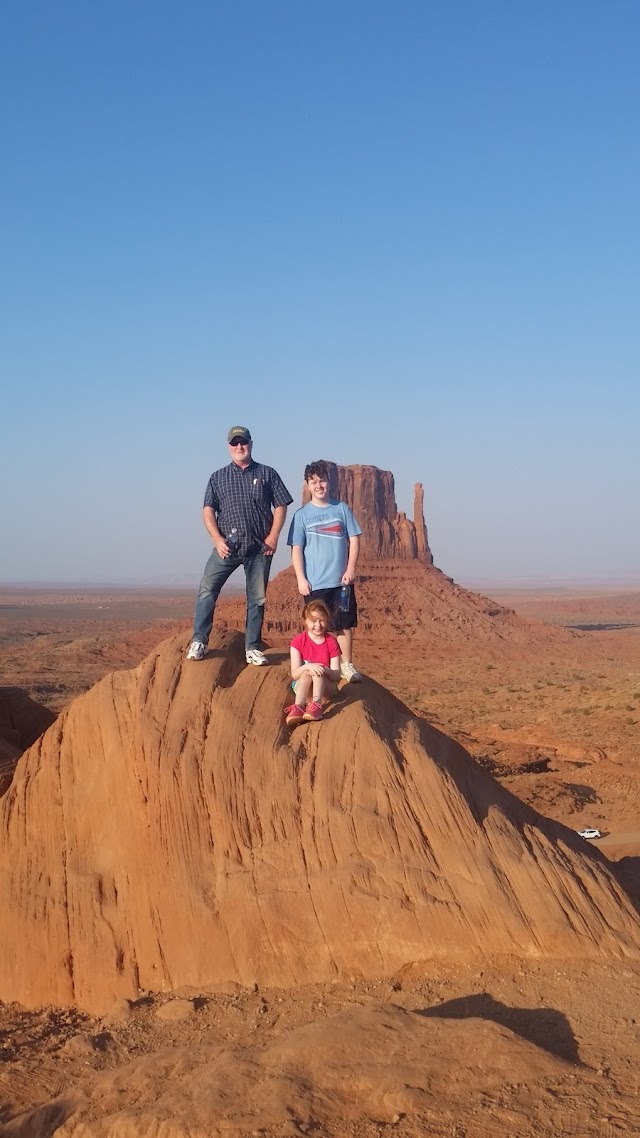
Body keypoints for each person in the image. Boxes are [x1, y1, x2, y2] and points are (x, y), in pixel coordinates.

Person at [187, 426, 293, 665]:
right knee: (207, 589)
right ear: (228, 447)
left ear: (251, 444)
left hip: (259, 548)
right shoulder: (218, 477)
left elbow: (281, 505)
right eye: (234, 443)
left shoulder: (268, 473)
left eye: (243, 442)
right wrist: (216, 539)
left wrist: (274, 536)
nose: (239, 447)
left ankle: (252, 648)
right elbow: (208, 510)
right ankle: (199, 640)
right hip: (228, 547)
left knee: (256, 598)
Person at [287, 460, 363, 682]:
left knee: (343, 624)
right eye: (314, 482)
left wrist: (351, 568)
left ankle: (346, 666)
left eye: (322, 480)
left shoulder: (341, 509)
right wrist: (301, 578)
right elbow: (296, 549)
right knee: (316, 626)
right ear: (307, 486)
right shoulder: (301, 515)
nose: (319, 485)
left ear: (328, 482)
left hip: (341, 581)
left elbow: (354, 539)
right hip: (315, 582)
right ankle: (315, 666)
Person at [284, 599, 341, 724]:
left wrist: (323, 669)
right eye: (313, 621)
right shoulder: (298, 642)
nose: (318, 625)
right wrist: (309, 666)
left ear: (327, 620)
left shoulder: (331, 642)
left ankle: (316, 706)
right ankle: (298, 707)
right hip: (303, 689)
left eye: (322, 620)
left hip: (326, 690)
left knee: (318, 673)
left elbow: (337, 675)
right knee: (306, 673)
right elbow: (295, 674)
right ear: (305, 621)